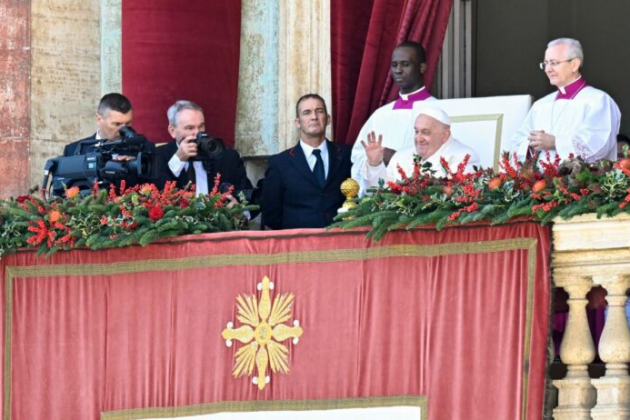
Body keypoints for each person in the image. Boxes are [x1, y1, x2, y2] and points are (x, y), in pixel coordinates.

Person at [512, 38, 621, 162]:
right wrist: (530, 144)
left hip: (580, 180)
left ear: (574, 64)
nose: (548, 69)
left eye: (553, 63)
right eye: (545, 63)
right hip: (540, 180)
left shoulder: (598, 100)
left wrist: (555, 142)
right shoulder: (540, 105)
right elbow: (517, 141)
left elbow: (600, 144)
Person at [351, 41, 437, 193]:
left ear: (422, 68)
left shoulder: (438, 111)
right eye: (394, 65)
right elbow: (357, 158)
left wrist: (396, 158)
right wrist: (374, 160)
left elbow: (446, 158)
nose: (398, 70)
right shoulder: (381, 115)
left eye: (405, 64)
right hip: (382, 201)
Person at [262, 94, 352, 230]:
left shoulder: (347, 155)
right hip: (298, 245)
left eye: (319, 111)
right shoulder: (280, 163)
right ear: (297, 122)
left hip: (341, 241)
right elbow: (271, 214)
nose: (314, 117)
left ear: (328, 119)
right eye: (307, 113)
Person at [154, 100, 253, 198]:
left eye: (201, 126)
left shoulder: (227, 156)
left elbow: (249, 196)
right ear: (172, 131)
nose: (197, 133)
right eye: (190, 128)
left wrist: (239, 208)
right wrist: (178, 160)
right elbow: (155, 197)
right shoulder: (157, 157)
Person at [359, 108, 480, 187]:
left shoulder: (464, 157)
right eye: (416, 131)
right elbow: (381, 192)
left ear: (444, 135)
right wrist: (374, 165)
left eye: (425, 132)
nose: (418, 138)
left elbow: (458, 198)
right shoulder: (401, 156)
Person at [62, 92, 156, 189]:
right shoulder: (74, 150)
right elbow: (63, 192)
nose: (123, 130)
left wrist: (134, 166)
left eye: (128, 124)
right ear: (99, 119)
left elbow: (157, 190)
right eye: (117, 124)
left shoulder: (144, 147)